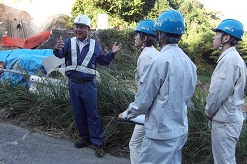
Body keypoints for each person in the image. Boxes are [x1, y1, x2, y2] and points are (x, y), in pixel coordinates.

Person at [118, 9, 197, 163]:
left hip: (160, 132)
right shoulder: (189, 63)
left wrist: (127, 114)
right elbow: (188, 95)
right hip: (180, 129)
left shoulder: (158, 62)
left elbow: (143, 100)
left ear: (159, 34)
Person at [53, 14, 122, 157]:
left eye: (81, 27)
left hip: (88, 85)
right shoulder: (67, 42)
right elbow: (59, 55)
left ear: (87, 29)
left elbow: (103, 61)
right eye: (76, 26)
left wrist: (112, 54)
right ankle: (84, 137)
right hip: (73, 84)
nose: (78, 29)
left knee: (92, 114)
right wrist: (56, 49)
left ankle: (98, 142)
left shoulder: (94, 45)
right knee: (78, 113)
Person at [205, 19, 247, 164]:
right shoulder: (236, 59)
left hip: (225, 121)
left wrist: (209, 112)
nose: (213, 37)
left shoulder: (229, 60)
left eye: (217, 34)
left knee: (224, 161)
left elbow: (217, 93)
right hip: (230, 118)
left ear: (226, 38)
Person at [129, 19, 159, 164]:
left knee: (135, 144)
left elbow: (145, 88)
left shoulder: (145, 56)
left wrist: (134, 111)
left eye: (137, 34)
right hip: (155, 108)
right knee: (147, 146)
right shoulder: (155, 53)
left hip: (147, 109)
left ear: (145, 37)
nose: (135, 37)